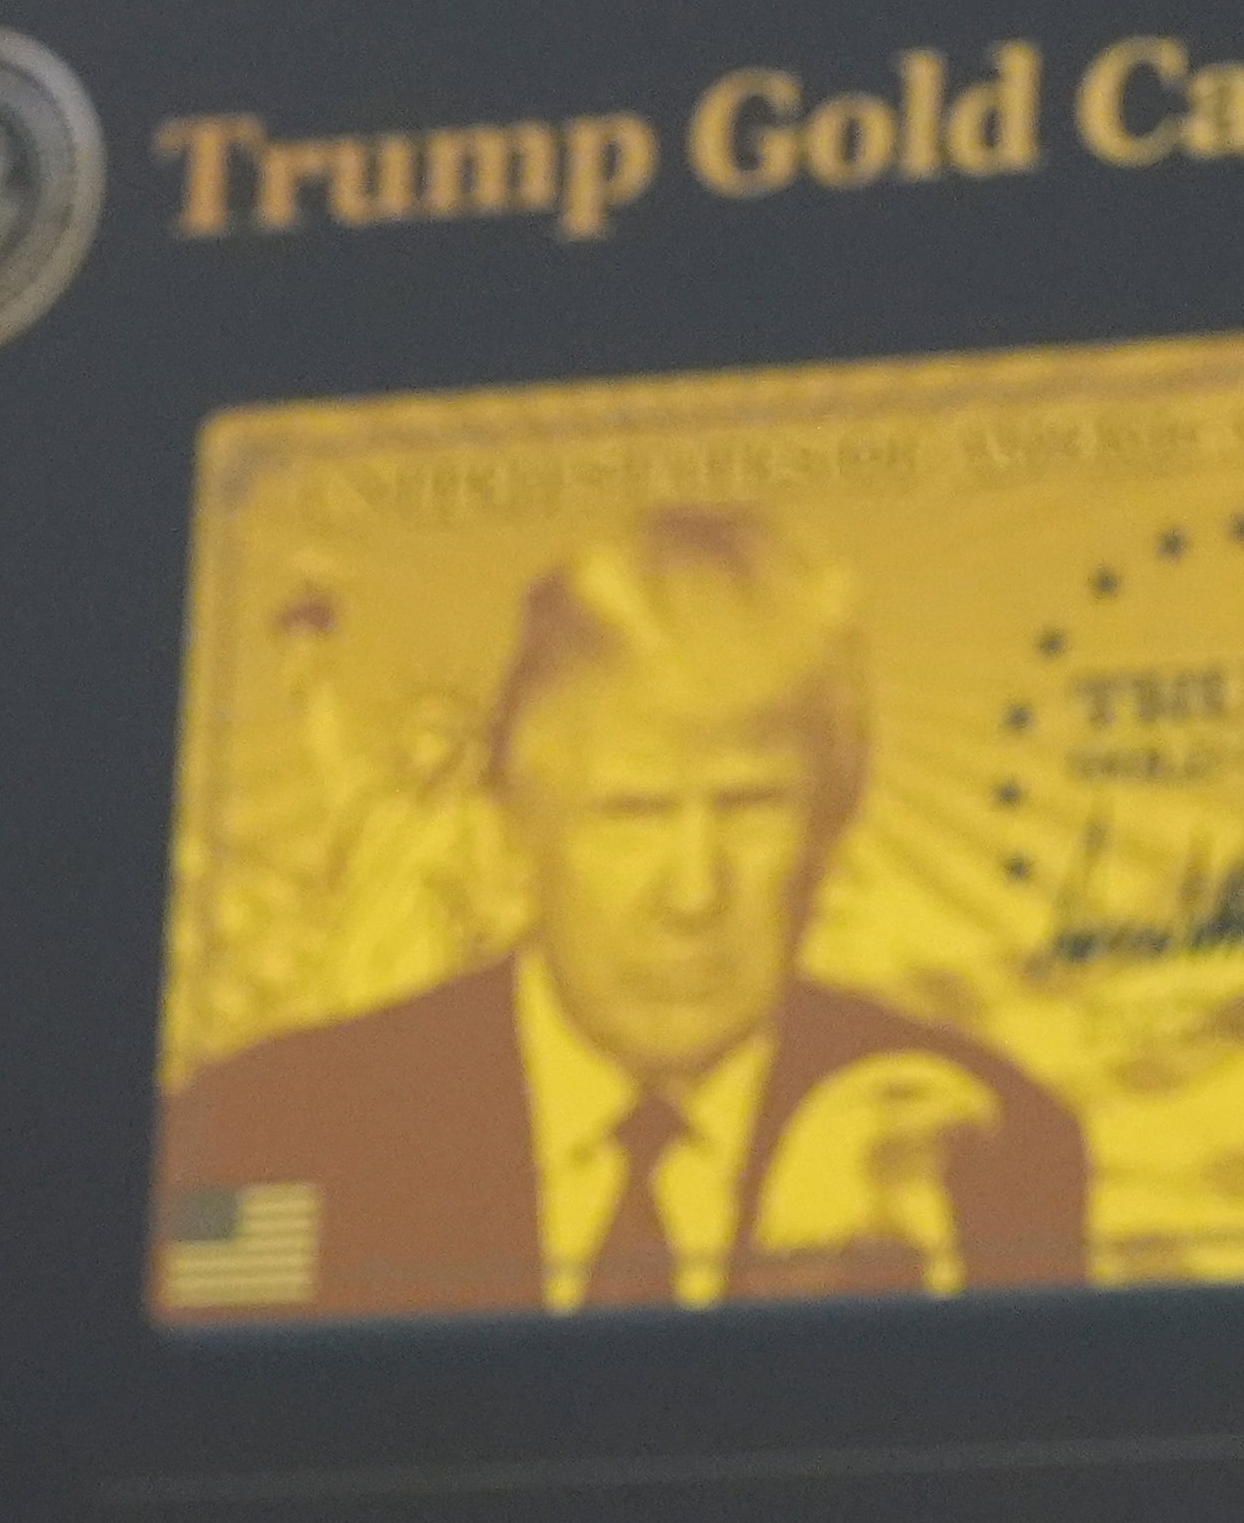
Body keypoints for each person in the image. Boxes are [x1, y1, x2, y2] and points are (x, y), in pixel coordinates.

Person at [154, 503, 1089, 1321]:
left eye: (750, 808)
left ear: (830, 836)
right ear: (517, 833)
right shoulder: (268, 1131)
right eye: (631, 812)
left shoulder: (988, 1144)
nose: (693, 893)